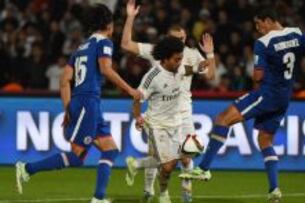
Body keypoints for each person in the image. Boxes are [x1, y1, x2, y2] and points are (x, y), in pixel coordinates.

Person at [179, 9, 305, 203]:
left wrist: (257, 71)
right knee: (265, 140)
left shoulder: (263, 43)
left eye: (259, 24)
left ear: (269, 20)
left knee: (222, 119)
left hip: (267, 94)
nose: (258, 28)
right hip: (284, 97)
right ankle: (274, 190)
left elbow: (257, 76)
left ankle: (203, 168)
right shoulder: (296, 33)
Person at [15, 4, 141, 203]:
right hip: (87, 103)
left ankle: (99, 198)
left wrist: (68, 107)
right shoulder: (105, 43)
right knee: (76, 157)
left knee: (111, 149)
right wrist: (131, 90)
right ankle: (27, 168)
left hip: (85, 103)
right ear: (109, 25)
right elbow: (107, 69)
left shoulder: (80, 48)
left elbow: (64, 80)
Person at [121, 0, 215, 202]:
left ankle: (185, 196)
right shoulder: (157, 54)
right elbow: (126, 44)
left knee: (185, 157)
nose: (179, 44)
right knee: (161, 160)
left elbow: (208, 74)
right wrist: (130, 17)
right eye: (175, 40)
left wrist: (210, 55)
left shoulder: (188, 56)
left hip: (183, 114)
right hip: (158, 114)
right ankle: (151, 191)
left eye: (181, 39)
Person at [133, 36, 185, 203]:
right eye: (176, 59)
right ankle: (159, 192)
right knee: (167, 164)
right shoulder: (153, 76)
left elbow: (191, 69)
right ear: (165, 58)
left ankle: (160, 191)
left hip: (175, 123)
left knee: (167, 167)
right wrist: (137, 116)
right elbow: (137, 97)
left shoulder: (181, 68)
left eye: (181, 58)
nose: (179, 62)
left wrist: (206, 60)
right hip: (156, 124)